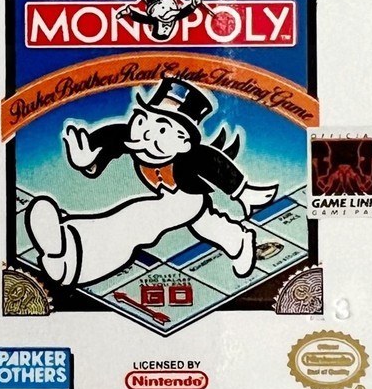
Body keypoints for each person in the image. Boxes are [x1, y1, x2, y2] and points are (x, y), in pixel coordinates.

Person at [26, 78, 278, 286]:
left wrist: (244, 191)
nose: (145, 132)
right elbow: (112, 139)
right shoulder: (136, 136)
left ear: (183, 141)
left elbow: (214, 164)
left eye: (162, 128)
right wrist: (88, 160)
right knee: (204, 223)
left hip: (187, 196)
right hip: (169, 195)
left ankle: (77, 258)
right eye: (142, 120)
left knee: (140, 220)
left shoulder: (192, 156)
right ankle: (238, 241)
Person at [116, 0, 202, 41]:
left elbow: (141, 18)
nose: (167, 28)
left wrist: (130, 12)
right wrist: (193, 4)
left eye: (163, 29)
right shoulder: (173, 15)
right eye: (166, 31)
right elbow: (184, 12)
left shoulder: (156, 18)